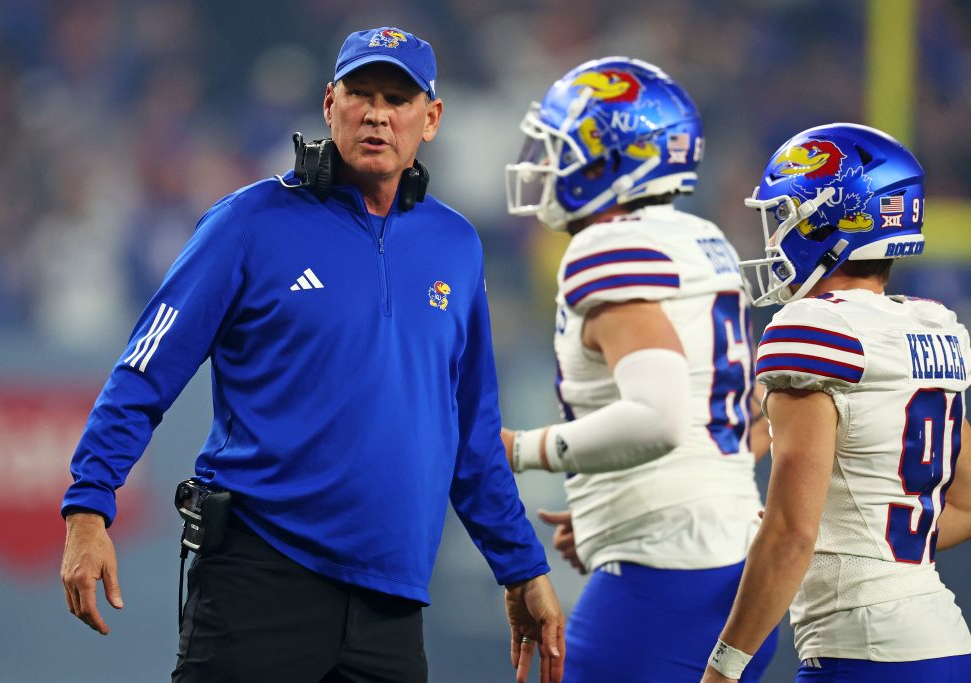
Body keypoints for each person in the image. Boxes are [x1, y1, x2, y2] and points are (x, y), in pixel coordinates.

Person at [59, 26, 565, 683]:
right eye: (360, 93)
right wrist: (88, 504)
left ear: (431, 118)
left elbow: (472, 435)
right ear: (330, 104)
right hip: (260, 578)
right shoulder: (250, 222)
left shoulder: (456, 246)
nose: (377, 113)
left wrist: (521, 568)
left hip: (393, 599)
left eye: (398, 97)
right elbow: (143, 371)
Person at [501, 57, 777, 682]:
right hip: (728, 568)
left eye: (560, 147)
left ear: (609, 158)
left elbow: (657, 417)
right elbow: (749, 413)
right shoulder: (700, 237)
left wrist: (519, 449)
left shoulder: (610, 245)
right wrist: (619, 506)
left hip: (666, 581)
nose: (545, 163)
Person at [701, 123, 971, 683]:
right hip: (944, 642)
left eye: (786, 216)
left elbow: (790, 533)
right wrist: (856, 544)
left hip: (865, 651)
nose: (775, 237)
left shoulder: (813, 328)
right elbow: (966, 504)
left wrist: (723, 670)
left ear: (831, 220)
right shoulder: (932, 324)